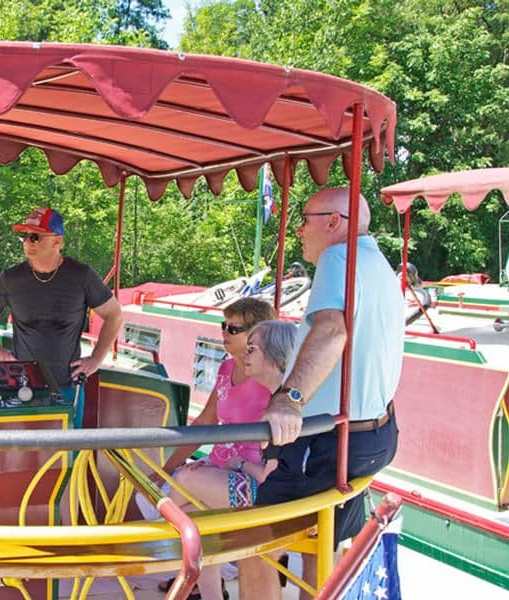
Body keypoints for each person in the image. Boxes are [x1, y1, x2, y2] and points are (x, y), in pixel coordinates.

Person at [239, 187, 403, 599]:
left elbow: (331, 331)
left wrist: (289, 399)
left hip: (331, 441)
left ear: (333, 222)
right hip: (374, 436)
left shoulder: (338, 257)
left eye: (305, 219)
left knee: (252, 545)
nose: (298, 230)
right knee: (320, 543)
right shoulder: (380, 265)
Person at [140, 298, 278, 600]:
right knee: (193, 519)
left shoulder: (272, 376)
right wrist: (163, 471)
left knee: (181, 491)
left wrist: (171, 476)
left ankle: (153, 532)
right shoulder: (227, 368)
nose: (224, 332)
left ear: (257, 333)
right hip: (218, 470)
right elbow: (205, 422)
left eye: (233, 328)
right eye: (223, 325)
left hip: (255, 480)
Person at [161, 319, 296, 600]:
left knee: (184, 480)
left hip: (273, 499)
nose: (244, 354)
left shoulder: (281, 407)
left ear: (274, 356)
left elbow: (269, 477)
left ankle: (168, 545)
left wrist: (237, 464)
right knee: (196, 515)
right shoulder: (279, 398)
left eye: (252, 349)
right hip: (264, 490)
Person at [0, 207, 123, 424]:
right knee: (23, 446)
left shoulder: (81, 276)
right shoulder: (11, 279)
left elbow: (114, 315)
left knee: (67, 446)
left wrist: (96, 359)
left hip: (67, 388)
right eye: (24, 236)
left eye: (35, 237)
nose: (27, 242)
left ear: (57, 242)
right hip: (22, 387)